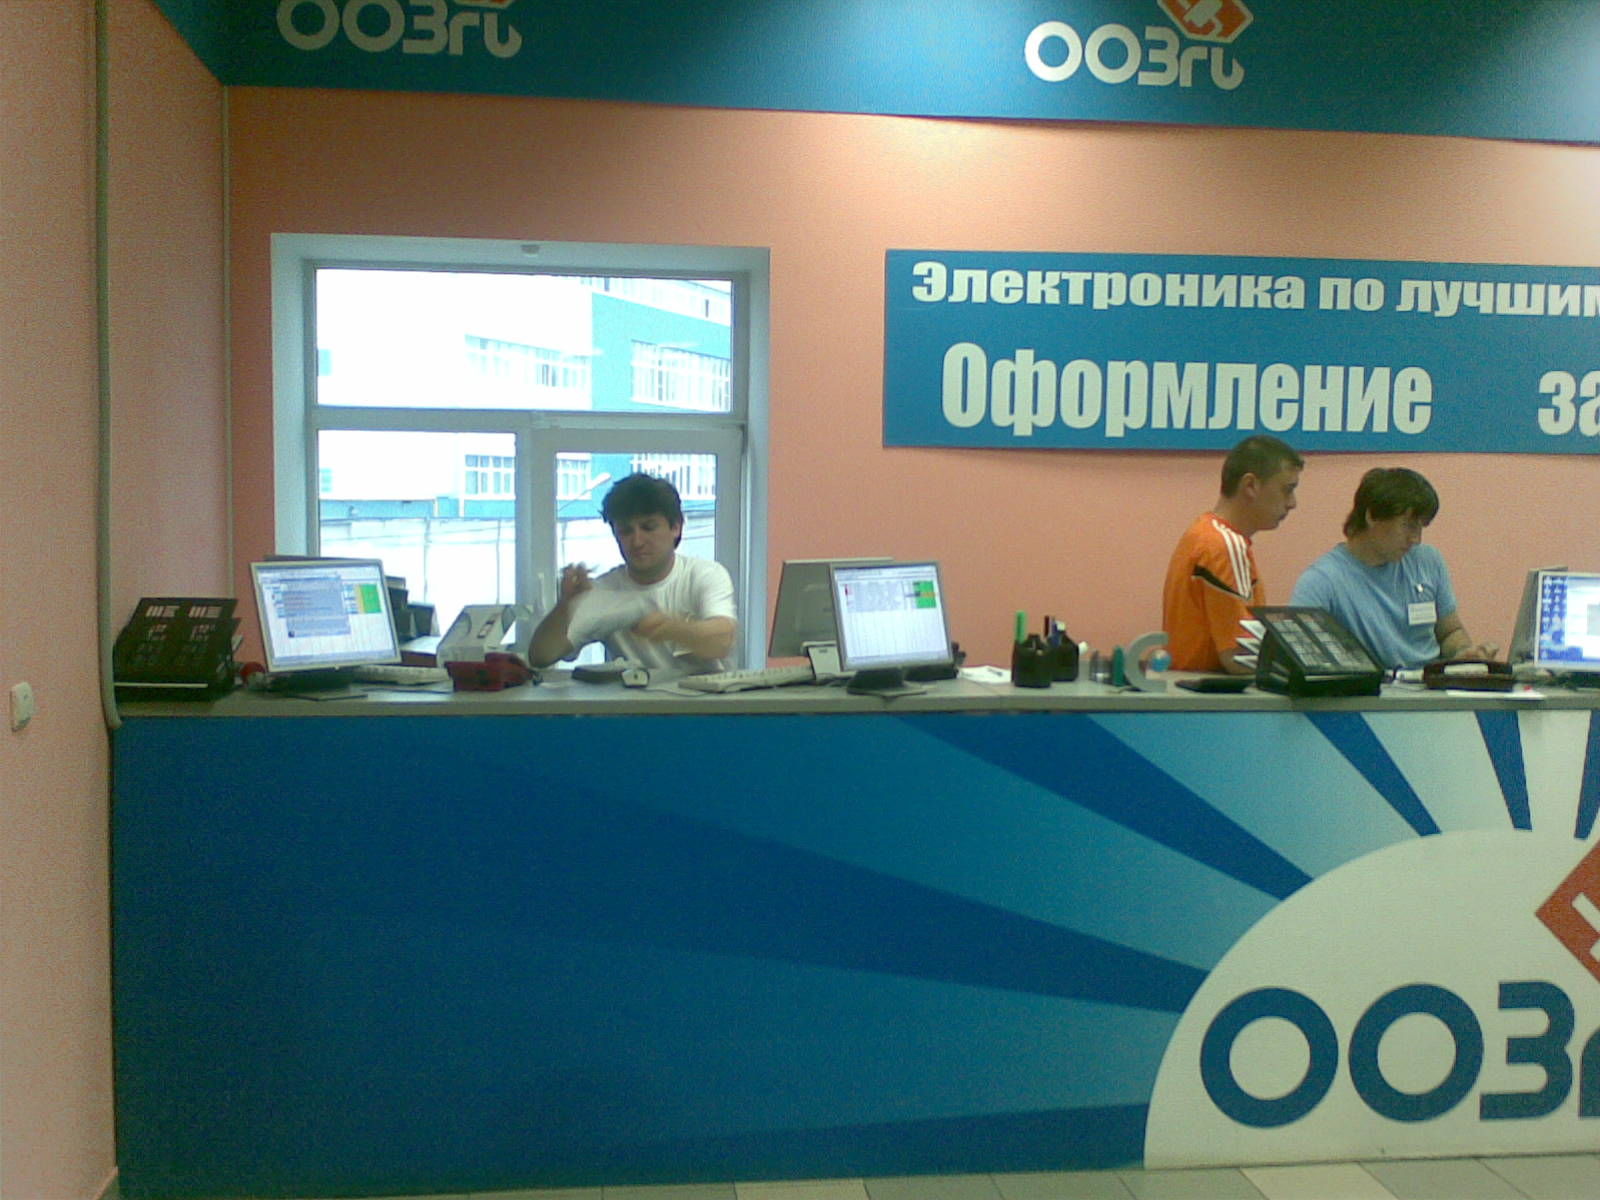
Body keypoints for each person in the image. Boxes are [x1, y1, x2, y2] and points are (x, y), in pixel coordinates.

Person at [1289, 467, 1496, 669]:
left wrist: (1463, 652)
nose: (1416, 539)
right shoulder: (1321, 581)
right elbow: (1301, 655)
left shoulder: (1429, 561)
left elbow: (1450, 632)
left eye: (1420, 527)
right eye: (1408, 526)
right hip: (1374, 689)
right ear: (1372, 516)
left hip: (1433, 685)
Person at [529, 472, 737, 672]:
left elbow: (722, 642)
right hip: (626, 697)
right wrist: (564, 605)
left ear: (676, 527)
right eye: (626, 531)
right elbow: (541, 657)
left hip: (703, 697)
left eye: (648, 527)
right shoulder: (602, 590)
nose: (637, 541)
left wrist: (670, 628)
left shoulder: (704, 574)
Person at [1163, 435, 1304, 674]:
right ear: (1250, 486)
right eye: (1287, 490)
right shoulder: (1225, 545)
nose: (1292, 503)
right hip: (1212, 691)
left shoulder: (1202, 533)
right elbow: (1241, 656)